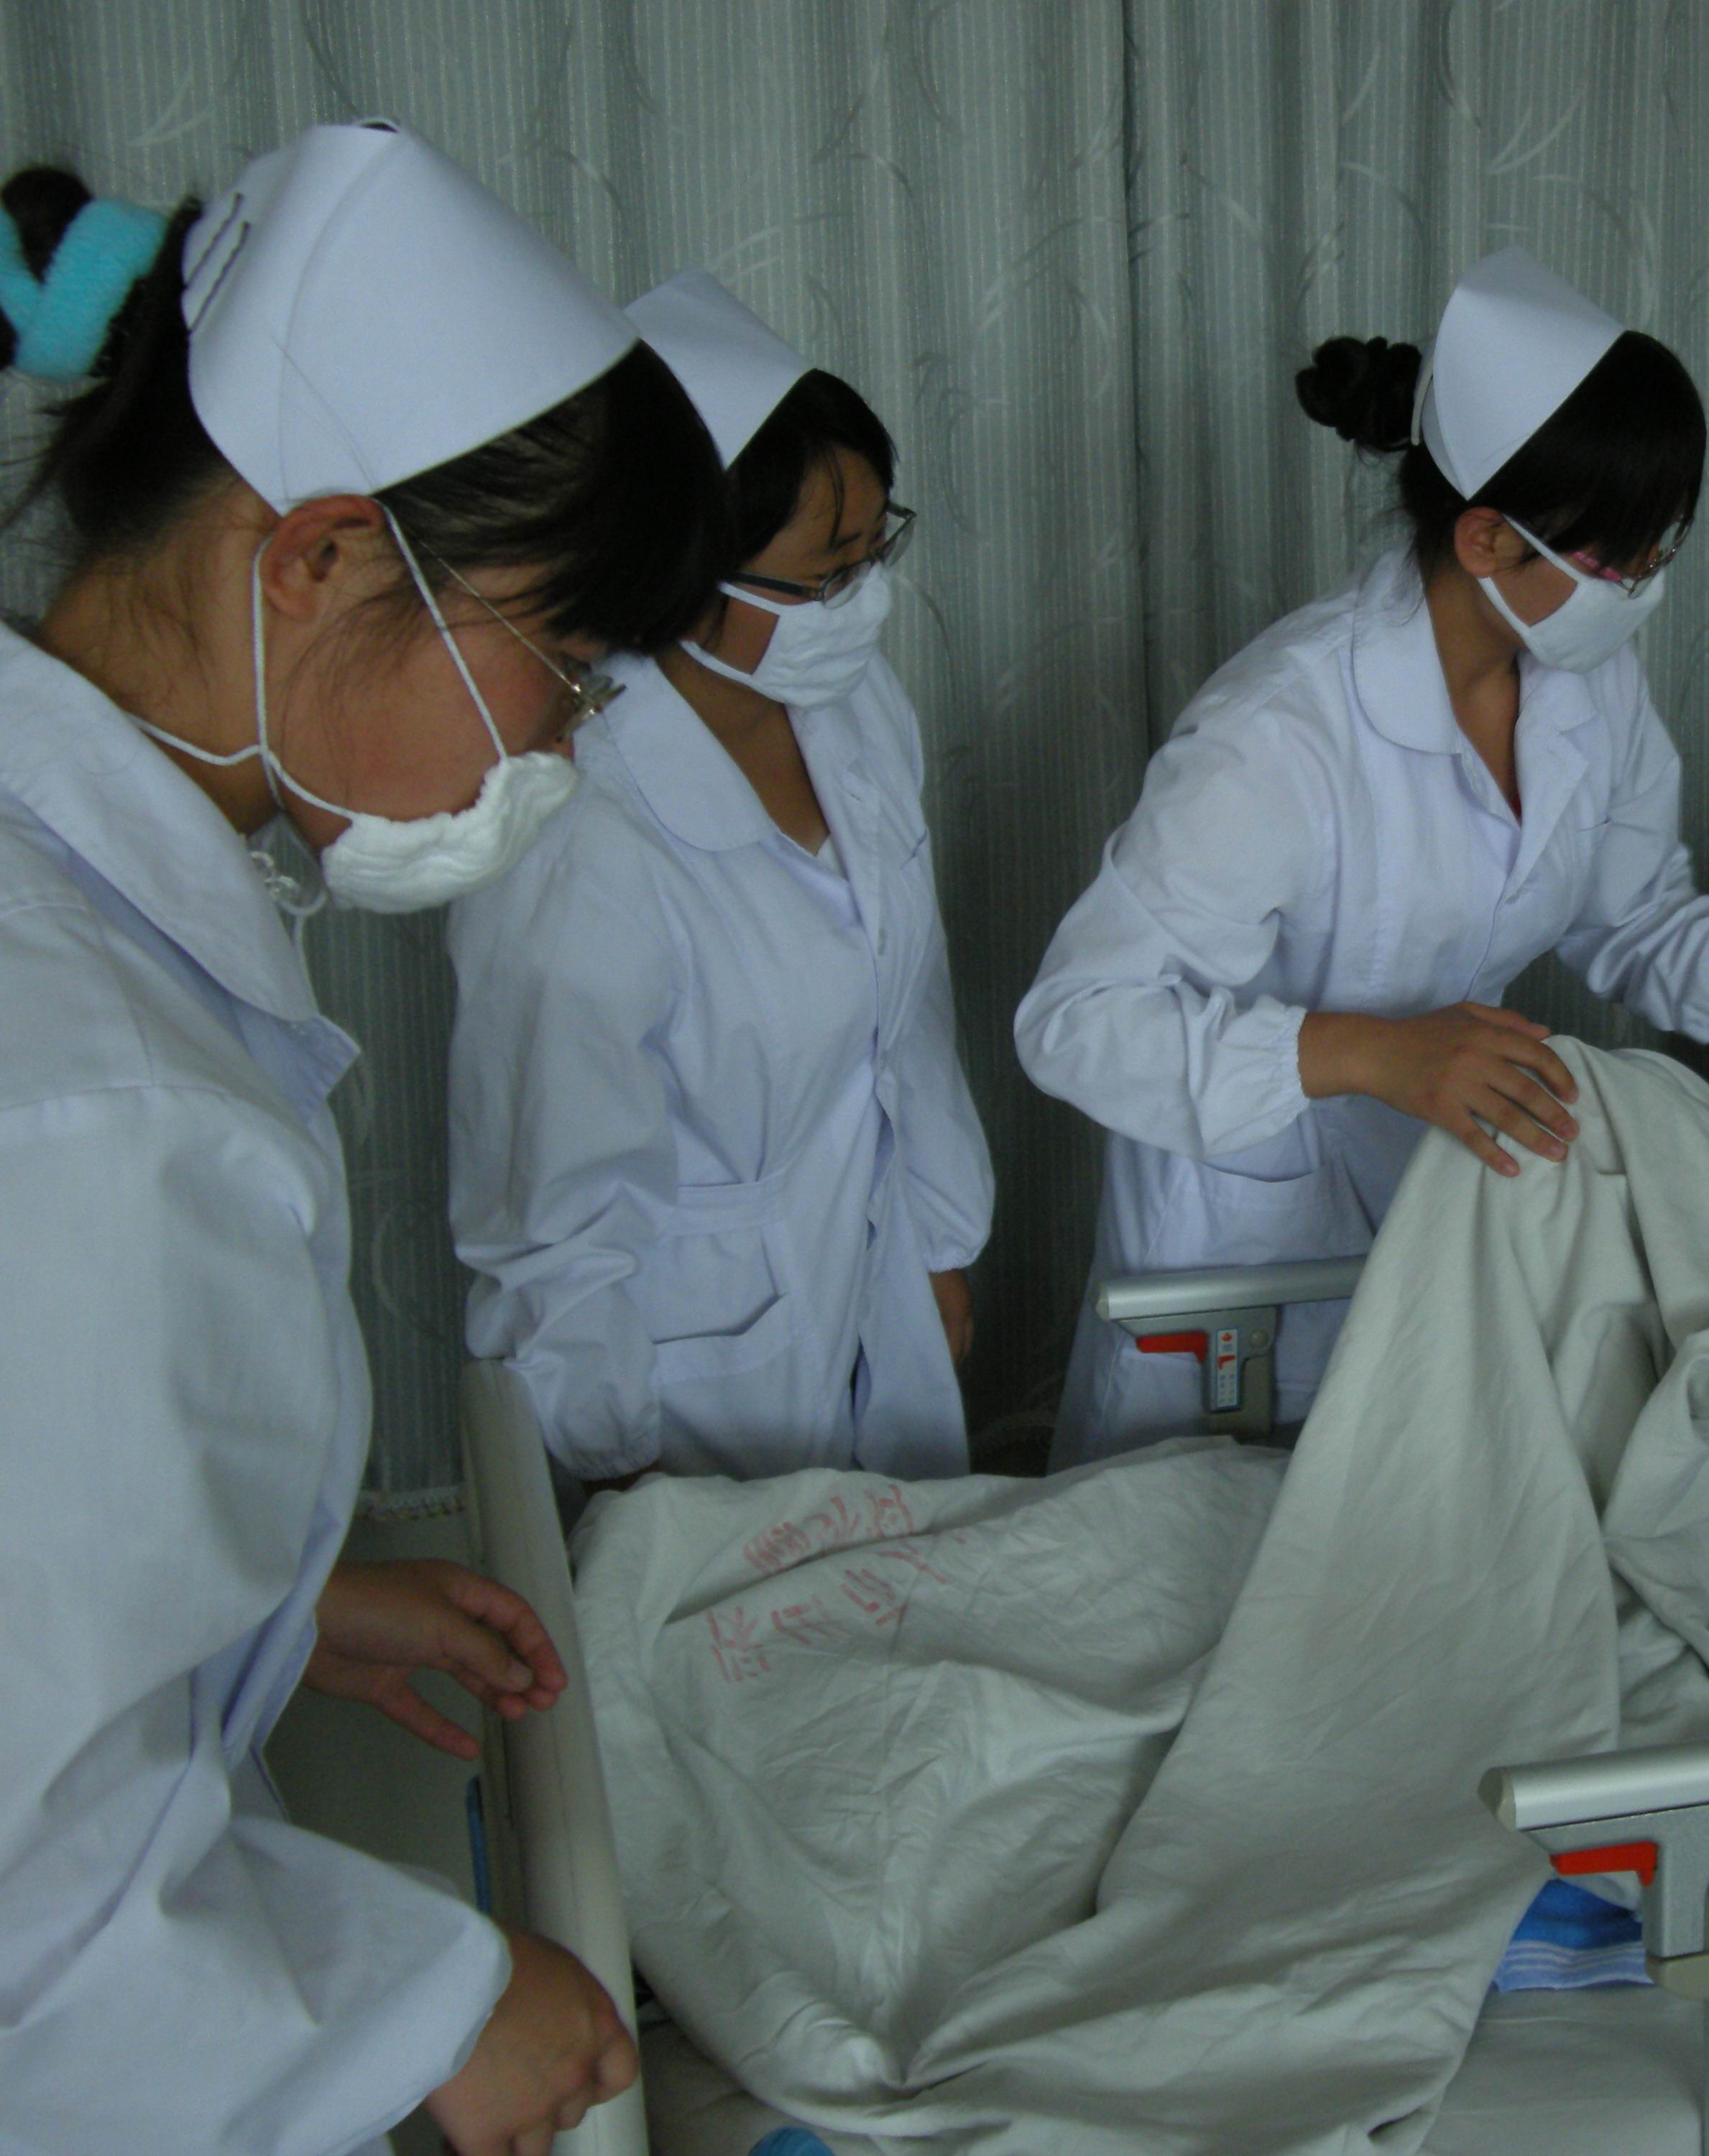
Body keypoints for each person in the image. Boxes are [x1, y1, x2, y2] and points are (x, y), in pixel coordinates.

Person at [0, 127, 727, 2152]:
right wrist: (423, 2010)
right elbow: (35, 1923)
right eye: (567, 666)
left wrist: (266, 1605)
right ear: (314, 557)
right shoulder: (97, 1100)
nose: (564, 745)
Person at [1017, 248, 1709, 1464]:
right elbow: (1077, 1020)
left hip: (1443, 1209)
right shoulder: (1280, 733)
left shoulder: (1585, 677)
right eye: (1618, 562)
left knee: (1414, 1525)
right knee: (1220, 1543)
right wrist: (1370, 1052)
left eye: (1662, 553)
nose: (1642, 590)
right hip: (1240, 1233)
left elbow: (1630, 907)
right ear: (1483, 538)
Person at [448, 270, 993, 1487]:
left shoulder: (854, 706)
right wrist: (620, 1470)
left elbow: (909, 1013)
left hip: (876, 1279)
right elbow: (550, 1215)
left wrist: (940, 1245)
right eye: (825, 573)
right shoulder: (579, 831)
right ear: (684, 581)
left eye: (876, 549)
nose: (863, 600)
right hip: (685, 1369)